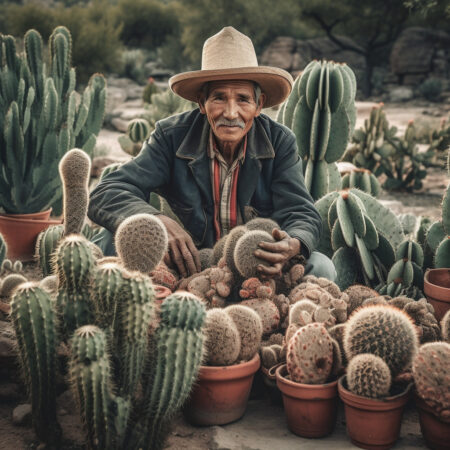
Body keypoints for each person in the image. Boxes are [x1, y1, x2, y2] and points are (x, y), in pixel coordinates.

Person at [88, 27, 336, 281]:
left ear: (258, 105)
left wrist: (292, 244)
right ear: (201, 103)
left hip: (257, 266)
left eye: (242, 99)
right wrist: (157, 220)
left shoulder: (279, 141)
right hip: (188, 262)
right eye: (219, 98)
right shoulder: (172, 136)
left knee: (321, 266)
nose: (230, 113)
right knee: (112, 238)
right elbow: (107, 191)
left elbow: (302, 212)